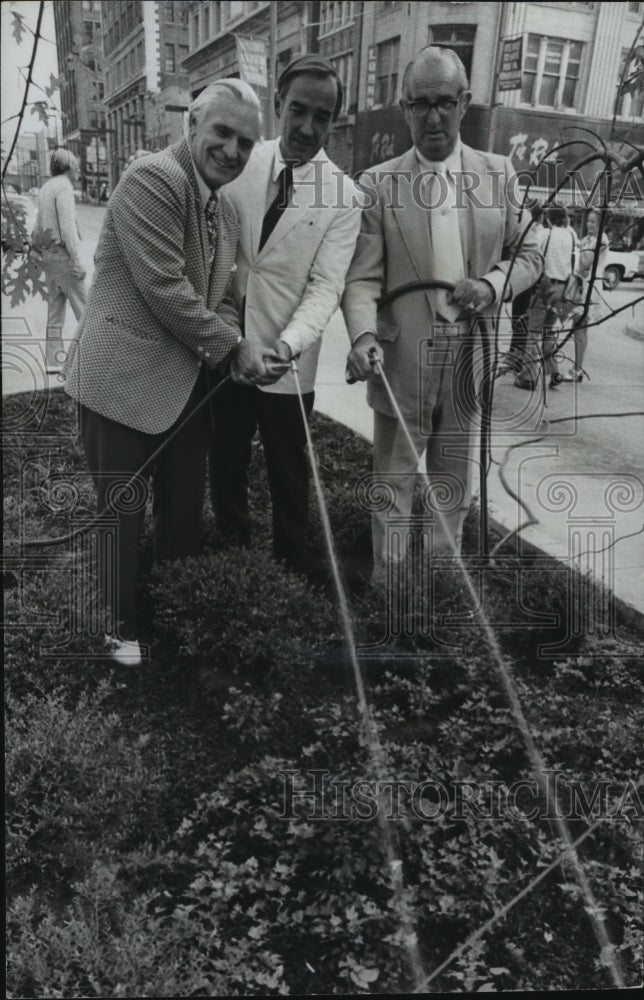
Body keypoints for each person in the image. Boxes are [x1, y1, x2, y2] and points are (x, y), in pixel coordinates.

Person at [64, 79, 274, 665]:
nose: (232, 150)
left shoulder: (227, 212)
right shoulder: (152, 178)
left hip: (185, 387)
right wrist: (234, 348)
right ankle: (118, 634)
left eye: (245, 142)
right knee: (121, 521)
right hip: (119, 383)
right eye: (223, 133)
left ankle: (175, 617)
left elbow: (226, 296)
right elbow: (165, 289)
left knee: (181, 514)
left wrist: (237, 332)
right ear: (193, 125)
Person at [341, 45, 542, 583]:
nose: (433, 116)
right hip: (401, 358)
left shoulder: (499, 174)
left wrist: (493, 284)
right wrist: (363, 336)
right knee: (393, 484)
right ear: (404, 107)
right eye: (420, 104)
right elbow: (362, 278)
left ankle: (441, 592)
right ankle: (390, 598)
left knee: (452, 486)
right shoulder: (378, 184)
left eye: (445, 102)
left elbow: (531, 254)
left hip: (468, 360)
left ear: (465, 103)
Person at [209, 55, 361, 577]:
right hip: (226, 347)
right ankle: (233, 557)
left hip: (287, 364)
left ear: (334, 121)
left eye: (322, 117)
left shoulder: (344, 195)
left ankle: (289, 568)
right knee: (225, 459)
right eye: (298, 110)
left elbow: (325, 287)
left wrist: (288, 345)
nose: (307, 127)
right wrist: (229, 338)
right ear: (277, 104)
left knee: (289, 472)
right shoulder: (241, 160)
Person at [32, 149, 87, 374]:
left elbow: (37, 228)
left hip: (49, 256)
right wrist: (77, 261)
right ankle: (89, 360)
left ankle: (52, 361)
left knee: (55, 312)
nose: (78, 170)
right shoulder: (64, 188)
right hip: (64, 257)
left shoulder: (46, 188)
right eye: (76, 166)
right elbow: (67, 229)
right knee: (85, 310)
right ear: (68, 167)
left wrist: (37, 253)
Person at [526, 204, 579, 390]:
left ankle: (529, 376)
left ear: (548, 218)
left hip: (543, 287)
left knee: (533, 332)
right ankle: (554, 371)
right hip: (562, 290)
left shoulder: (544, 234)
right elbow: (575, 264)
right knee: (549, 331)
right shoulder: (572, 236)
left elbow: (534, 257)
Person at [565, 210, 609, 382]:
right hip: (583, 284)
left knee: (580, 326)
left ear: (601, 224)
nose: (589, 225)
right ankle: (577, 368)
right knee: (579, 327)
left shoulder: (600, 240)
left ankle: (577, 369)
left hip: (589, 287)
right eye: (588, 221)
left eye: (593, 222)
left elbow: (584, 263)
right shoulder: (590, 239)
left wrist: (580, 248)